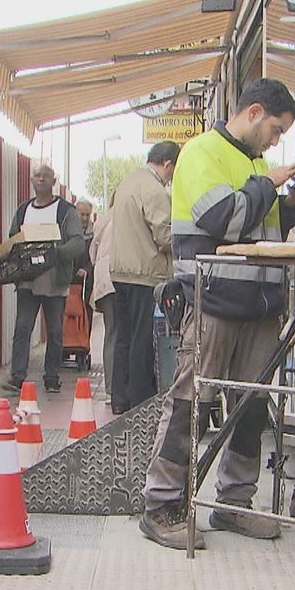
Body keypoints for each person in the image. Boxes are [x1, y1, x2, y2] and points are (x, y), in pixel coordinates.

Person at [139, 80, 295, 550]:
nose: (276, 142)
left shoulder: (256, 164)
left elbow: (259, 224)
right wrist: (268, 185)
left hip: (257, 307)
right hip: (213, 302)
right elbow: (222, 218)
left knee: (252, 407)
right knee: (189, 402)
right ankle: (160, 506)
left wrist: (289, 205)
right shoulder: (202, 153)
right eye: (275, 130)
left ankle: (235, 502)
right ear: (254, 112)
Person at [1, 164, 87, 394]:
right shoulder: (23, 210)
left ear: (53, 181)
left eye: (45, 176)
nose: (40, 179)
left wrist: (55, 253)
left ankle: (51, 377)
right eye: (37, 176)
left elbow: (78, 242)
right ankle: (17, 377)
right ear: (31, 180)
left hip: (54, 280)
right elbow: (12, 238)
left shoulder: (65, 211)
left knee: (55, 331)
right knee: (22, 327)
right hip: (27, 280)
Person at [109, 141, 179, 414]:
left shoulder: (129, 182)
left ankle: (120, 398)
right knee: (142, 340)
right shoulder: (153, 189)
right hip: (144, 272)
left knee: (123, 337)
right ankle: (140, 402)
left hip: (120, 271)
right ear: (168, 164)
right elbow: (164, 235)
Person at [88, 199, 116, 398]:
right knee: (124, 334)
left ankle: (110, 389)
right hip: (119, 278)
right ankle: (118, 389)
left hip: (103, 281)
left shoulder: (103, 220)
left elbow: (92, 253)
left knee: (111, 333)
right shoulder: (127, 217)